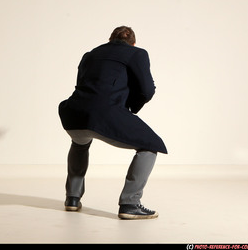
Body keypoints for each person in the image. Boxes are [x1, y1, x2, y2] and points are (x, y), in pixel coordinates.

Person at [58, 26, 167, 220]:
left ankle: (72, 199)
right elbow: (148, 90)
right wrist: (130, 107)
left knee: (80, 143)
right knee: (151, 145)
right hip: (104, 113)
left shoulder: (89, 55)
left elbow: (83, 85)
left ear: (109, 39)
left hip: (73, 112)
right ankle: (130, 203)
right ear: (133, 43)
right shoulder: (137, 53)